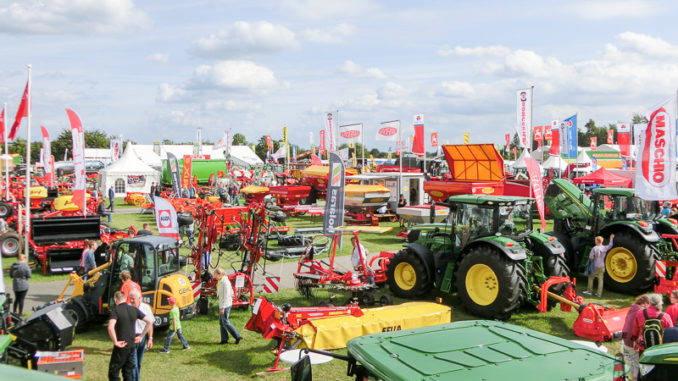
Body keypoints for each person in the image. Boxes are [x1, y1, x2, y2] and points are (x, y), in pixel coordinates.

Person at [108, 291, 153, 381]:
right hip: (132, 345)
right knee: (127, 372)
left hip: (121, 345)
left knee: (113, 371)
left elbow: (110, 327)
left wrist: (115, 342)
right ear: (125, 299)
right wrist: (141, 336)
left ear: (115, 300)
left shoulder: (115, 311)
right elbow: (149, 321)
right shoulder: (134, 309)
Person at [621, 294, 650, 381]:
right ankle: (635, 378)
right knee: (636, 361)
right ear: (645, 303)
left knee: (632, 359)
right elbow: (640, 328)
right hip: (632, 340)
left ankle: (633, 375)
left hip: (625, 338)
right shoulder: (642, 312)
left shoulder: (633, 308)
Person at [214, 268, 242, 345]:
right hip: (223, 304)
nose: (214, 276)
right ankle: (224, 339)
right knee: (221, 322)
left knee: (225, 322)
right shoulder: (221, 281)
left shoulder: (225, 282)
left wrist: (222, 307)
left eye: (215, 274)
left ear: (220, 274)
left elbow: (226, 296)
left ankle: (237, 336)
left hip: (225, 305)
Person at [129, 290, 153, 381]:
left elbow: (150, 324)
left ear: (140, 298)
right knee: (133, 363)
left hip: (142, 338)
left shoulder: (146, 308)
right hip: (132, 338)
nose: (131, 300)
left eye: (133, 299)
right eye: (130, 298)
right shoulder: (128, 307)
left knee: (138, 363)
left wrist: (150, 338)